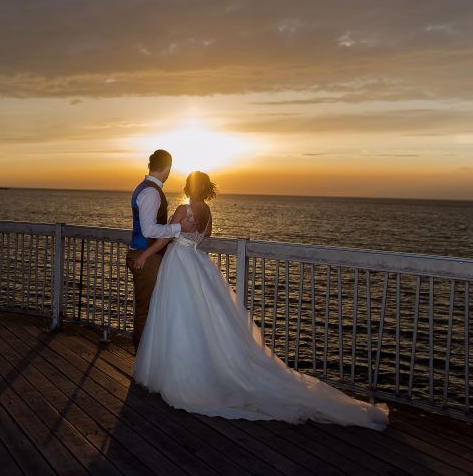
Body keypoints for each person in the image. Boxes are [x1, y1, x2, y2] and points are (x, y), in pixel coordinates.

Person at [131, 171, 389, 429]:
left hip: (179, 261)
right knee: (198, 317)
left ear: (189, 186)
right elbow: (206, 236)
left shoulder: (183, 208)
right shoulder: (207, 210)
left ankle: (182, 375)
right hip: (197, 262)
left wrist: (145, 255)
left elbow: (165, 238)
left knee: (178, 316)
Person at [126, 150, 196, 351]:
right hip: (146, 257)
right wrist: (179, 228)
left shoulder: (145, 188)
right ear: (167, 168)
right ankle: (141, 360)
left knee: (148, 308)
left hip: (144, 254)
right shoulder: (151, 192)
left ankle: (146, 357)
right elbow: (149, 229)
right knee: (145, 310)